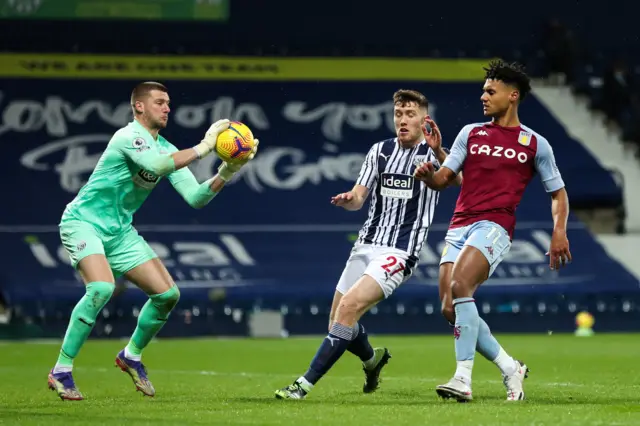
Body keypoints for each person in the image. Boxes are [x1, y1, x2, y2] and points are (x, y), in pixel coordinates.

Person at [47, 81, 259, 401]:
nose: (167, 108)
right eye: (159, 102)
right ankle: (61, 369)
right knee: (102, 287)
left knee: (167, 295)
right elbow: (157, 167)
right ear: (139, 107)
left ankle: (131, 355)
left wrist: (227, 170)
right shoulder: (127, 136)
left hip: (119, 232)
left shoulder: (167, 148)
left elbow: (196, 197)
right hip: (83, 224)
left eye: (169, 103)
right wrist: (205, 146)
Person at [274, 89, 460, 400]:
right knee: (338, 320)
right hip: (366, 244)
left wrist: (441, 153)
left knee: (348, 309)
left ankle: (302, 385)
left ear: (424, 120)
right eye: (398, 114)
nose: (402, 120)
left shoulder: (437, 154)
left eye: (410, 114)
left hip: (400, 251)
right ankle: (373, 360)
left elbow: (463, 181)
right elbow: (359, 197)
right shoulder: (380, 151)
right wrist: (349, 199)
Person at [414, 59, 572, 402]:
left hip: (496, 224)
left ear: (512, 96)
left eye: (491, 91)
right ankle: (509, 367)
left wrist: (559, 231)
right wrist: (430, 171)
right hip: (459, 225)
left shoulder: (535, 143)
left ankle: (462, 378)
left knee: (460, 285)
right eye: (483, 91)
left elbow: (558, 192)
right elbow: (444, 179)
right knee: (449, 307)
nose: (483, 96)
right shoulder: (470, 133)